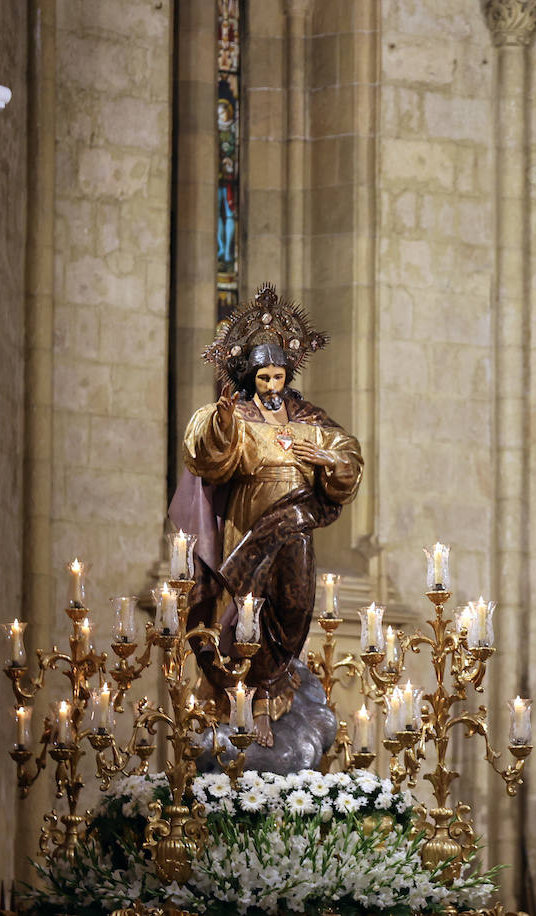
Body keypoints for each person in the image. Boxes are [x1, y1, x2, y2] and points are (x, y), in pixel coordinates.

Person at [170, 283, 362, 748]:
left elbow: (348, 454)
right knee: (245, 611)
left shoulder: (307, 416)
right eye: (263, 379)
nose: (272, 388)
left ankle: (274, 685)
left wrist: (324, 460)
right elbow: (204, 452)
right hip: (248, 524)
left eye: (278, 378)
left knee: (293, 607)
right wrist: (218, 419)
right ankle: (250, 700)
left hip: (296, 525)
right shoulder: (235, 415)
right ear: (249, 378)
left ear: (287, 374)